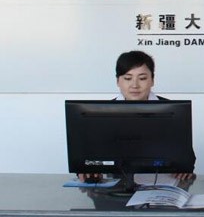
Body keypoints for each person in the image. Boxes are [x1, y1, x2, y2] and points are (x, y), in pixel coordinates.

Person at [78, 51, 195, 182]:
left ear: (152, 80)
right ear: (118, 81)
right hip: (115, 186)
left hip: (163, 184)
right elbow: (87, 157)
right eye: (128, 78)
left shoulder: (172, 111)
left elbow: (187, 158)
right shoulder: (100, 114)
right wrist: (87, 169)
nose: (135, 85)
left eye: (142, 78)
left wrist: (185, 168)